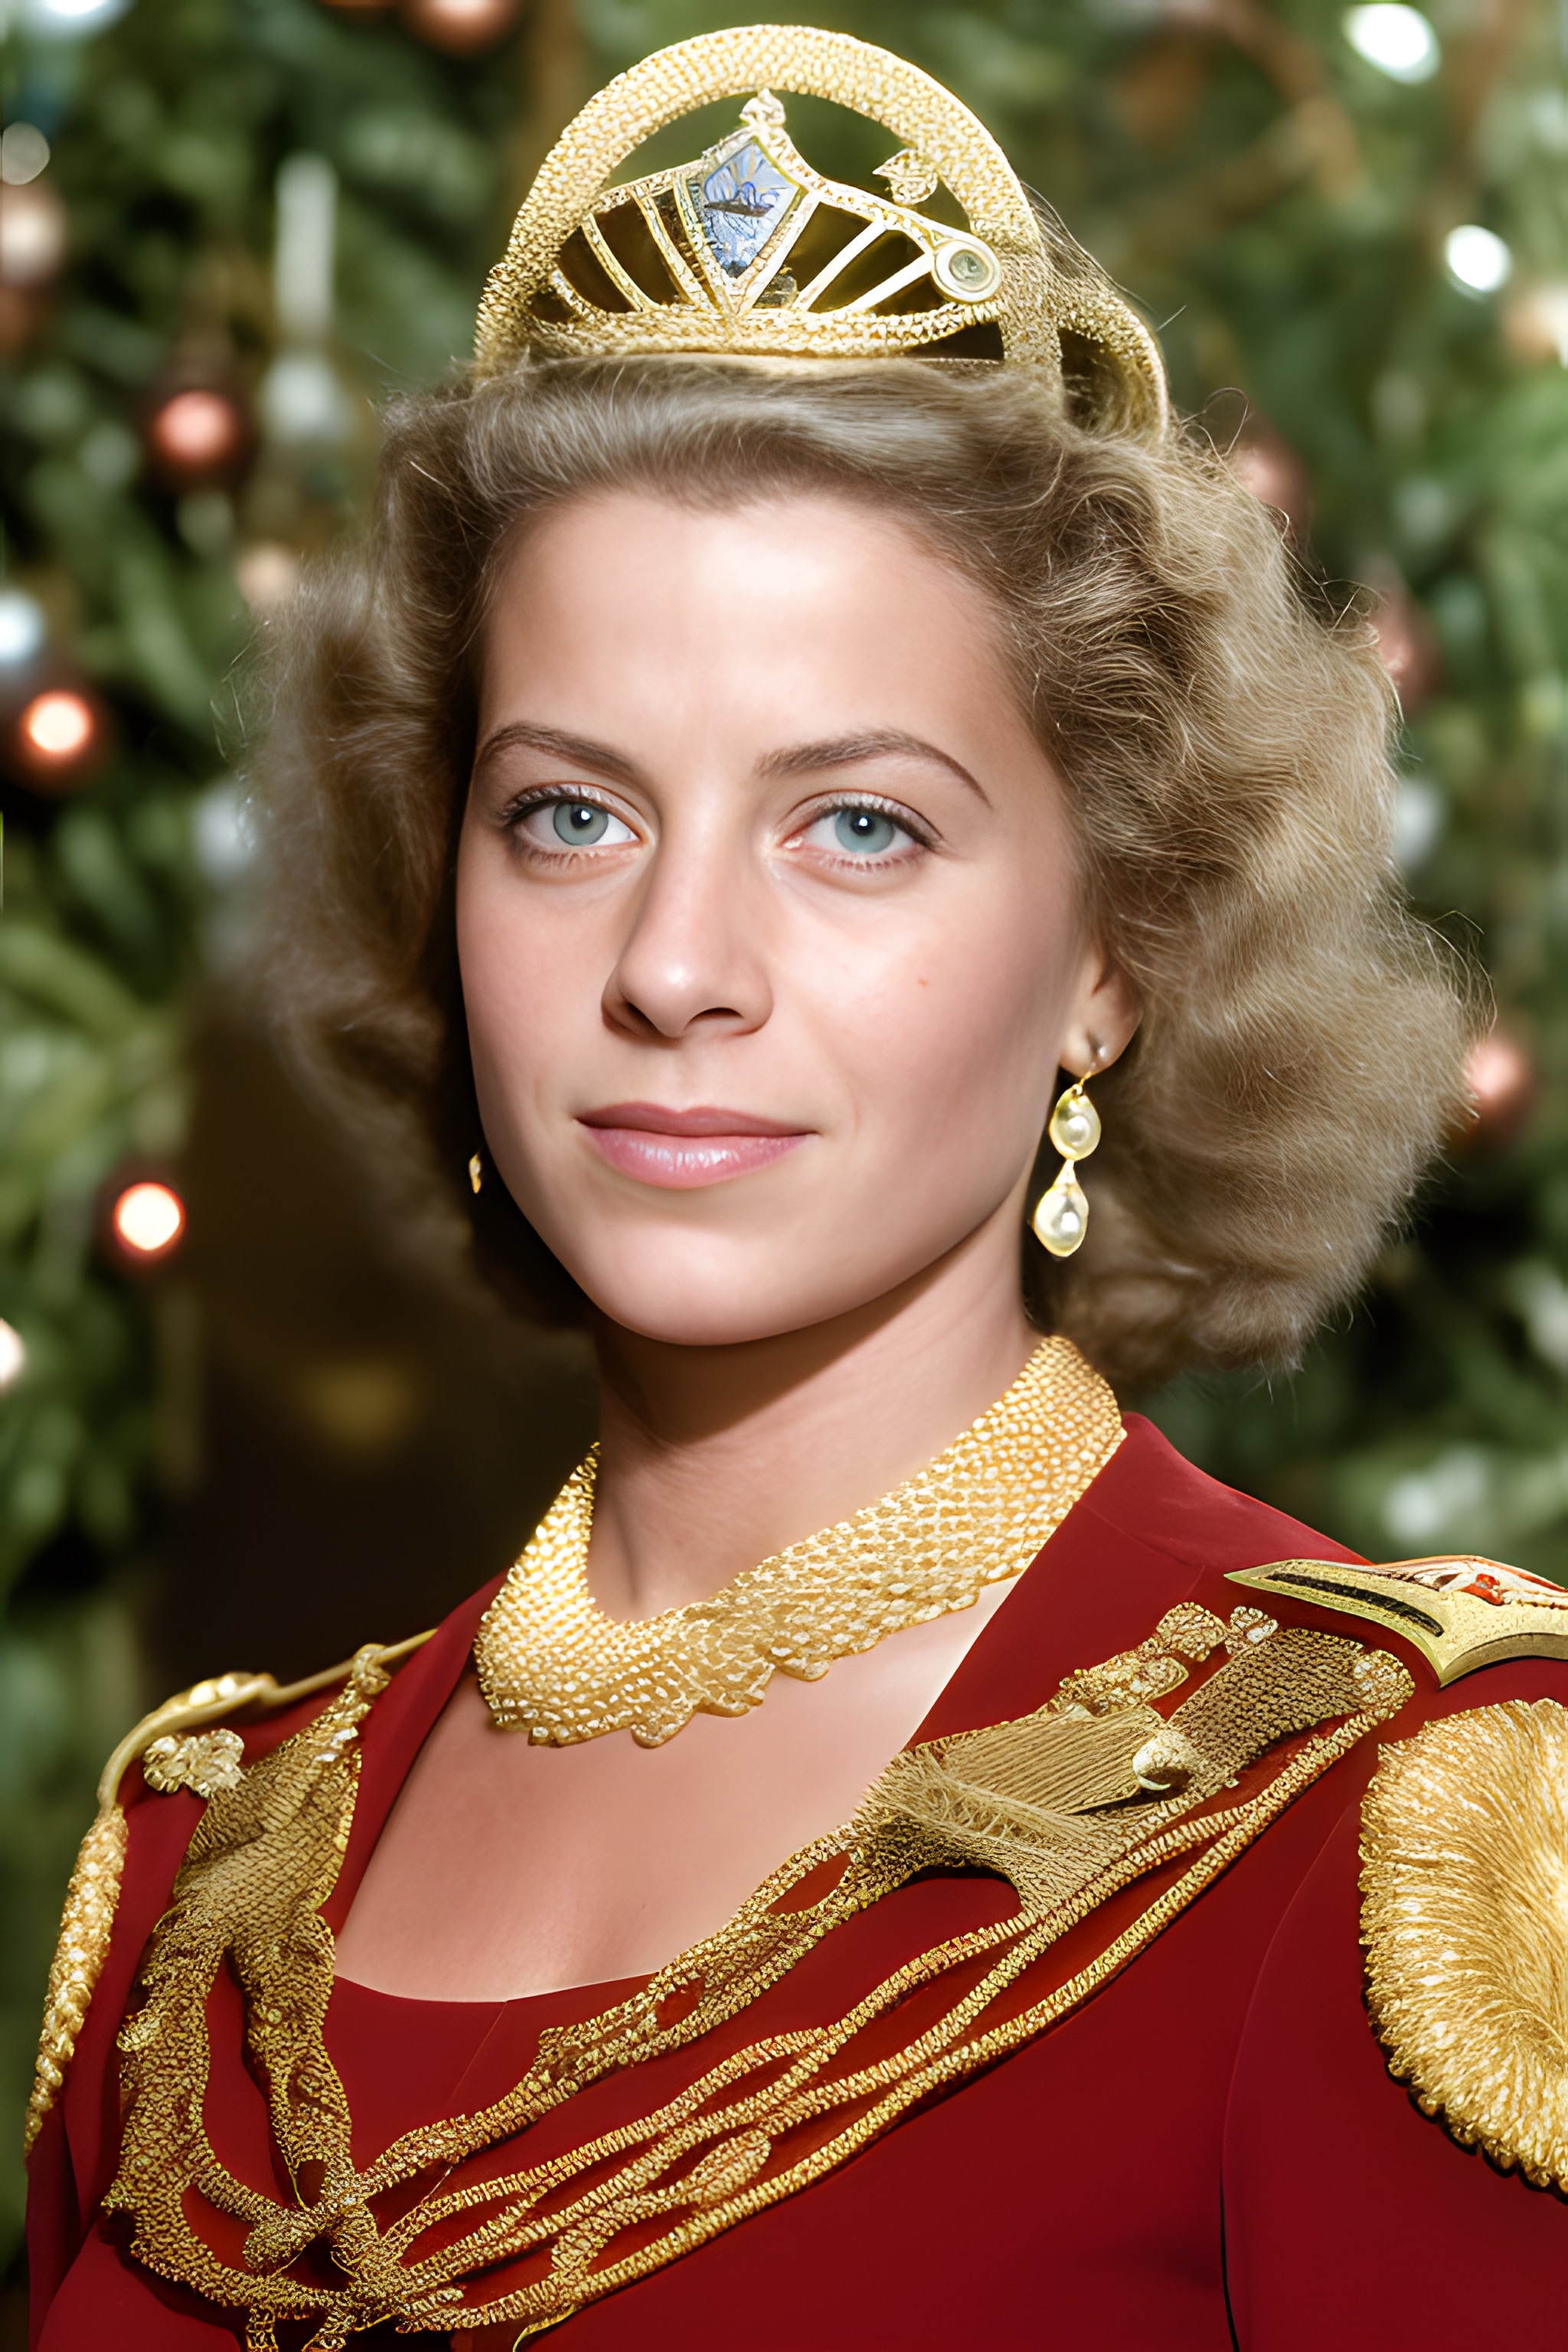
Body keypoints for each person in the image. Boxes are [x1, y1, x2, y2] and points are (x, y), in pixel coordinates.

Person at [24, 25, 1568, 2349]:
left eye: (859, 825)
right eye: (569, 813)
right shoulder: (192, 1879)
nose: (669, 966)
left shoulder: (1387, 1828)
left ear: (1116, 954)